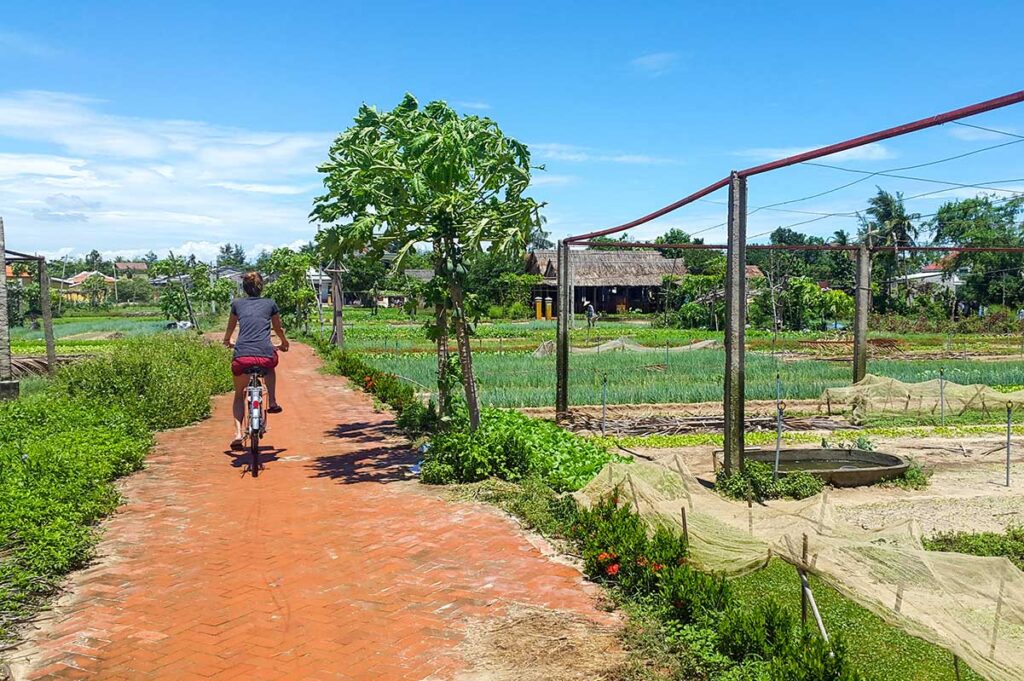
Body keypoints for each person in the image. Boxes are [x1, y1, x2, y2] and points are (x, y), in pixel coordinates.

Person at [223, 272, 289, 449]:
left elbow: (230, 327)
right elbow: (278, 328)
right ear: (262, 287)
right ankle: (273, 401)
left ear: (244, 288)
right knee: (270, 366)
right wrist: (283, 343)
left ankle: (238, 433)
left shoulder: (237, 304)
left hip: (242, 356)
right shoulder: (270, 304)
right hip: (264, 354)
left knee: (239, 394)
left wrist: (227, 340)